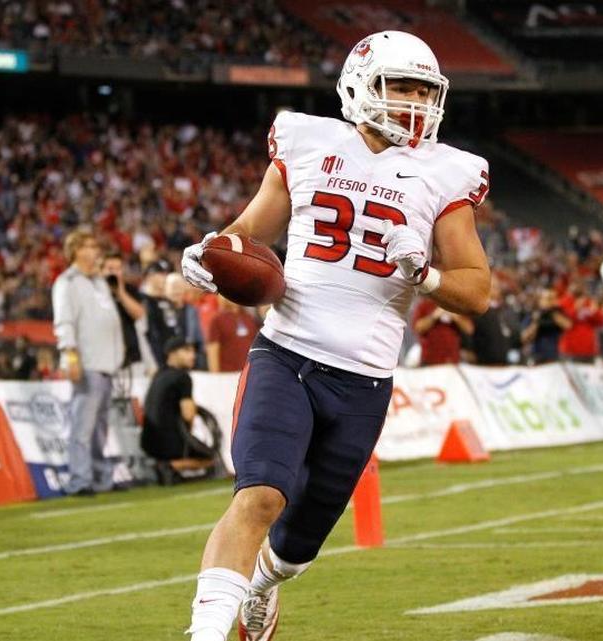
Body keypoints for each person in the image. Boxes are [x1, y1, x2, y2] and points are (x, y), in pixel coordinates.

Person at [179, 31, 491, 640]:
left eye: (425, 91)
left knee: (297, 548)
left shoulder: (447, 172)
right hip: (287, 353)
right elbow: (249, 233)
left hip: (363, 380)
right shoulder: (307, 141)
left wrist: (425, 274)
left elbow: (476, 290)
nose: (415, 102)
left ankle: (262, 589)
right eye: (401, 86)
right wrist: (210, 256)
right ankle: (207, 634)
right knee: (259, 496)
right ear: (359, 84)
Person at [52, 228, 125, 497]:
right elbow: (64, 322)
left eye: (96, 246)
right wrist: (69, 355)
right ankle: (79, 480)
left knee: (99, 429)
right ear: (76, 251)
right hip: (88, 363)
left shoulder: (98, 282)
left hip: (107, 364)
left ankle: (100, 478)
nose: (96, 252)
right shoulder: (67, 282)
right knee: (82, 427)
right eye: (89, 246)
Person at [140, 337, 217, 481]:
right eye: (186, 351)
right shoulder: (183, 377)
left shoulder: (159, 374)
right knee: (211, 459)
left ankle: (167, 466)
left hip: (148, 442)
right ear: (172, 353)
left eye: (193, 351)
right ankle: (171, 466)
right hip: (170, 443)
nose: (192, 356)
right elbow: (188, 415)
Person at [206, 296, 260, 373]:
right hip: (227, 374)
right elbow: (213, 350)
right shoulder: (217, 320)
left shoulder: (250, 318)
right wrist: (215, 376)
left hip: (248, 373)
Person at [412, 297, 473, 365]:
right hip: (429, 361)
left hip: (452, 361)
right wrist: (434, 316)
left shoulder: (455, 306)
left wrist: (455, 317)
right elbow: (417, 328)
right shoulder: (425, 304)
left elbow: (469, 329)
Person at [521, 288, 571, 364]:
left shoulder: (557, 313)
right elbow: (524, 336)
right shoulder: (533, 313)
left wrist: (552, 311)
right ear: (540, 300)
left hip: (555, 355)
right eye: (546, 298)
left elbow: (568, 325)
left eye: (551, 299)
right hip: (537, 354)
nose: (548, 301)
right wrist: (537, 320)